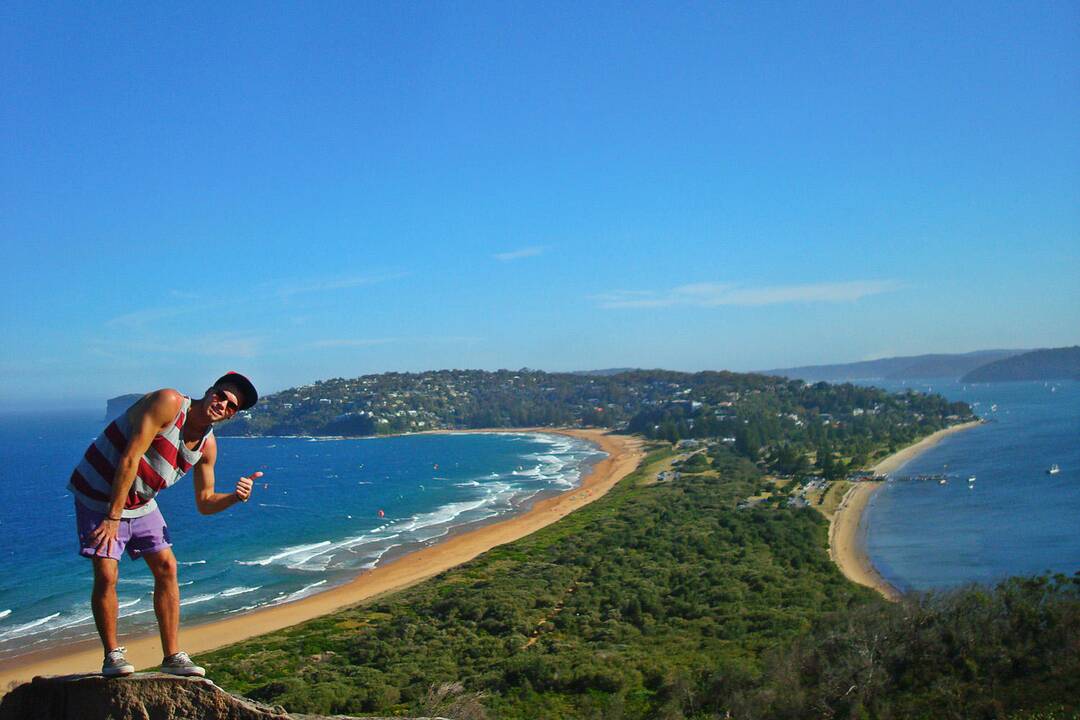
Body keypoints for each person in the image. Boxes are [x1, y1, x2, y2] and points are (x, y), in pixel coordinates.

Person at [68, 372, 261, 678]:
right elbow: (130, 459)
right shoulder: (168, 403)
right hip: (98, 494)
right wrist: (113, 517)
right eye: (221, 395)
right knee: (106, 571)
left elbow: (205, 502)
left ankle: (172, 656)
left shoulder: (207, 447)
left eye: (230, 406)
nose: (222, 404)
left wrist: (235, 498)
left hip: (140, 501)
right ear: (210, 389)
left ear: (231, 415)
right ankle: (112, 656)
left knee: (167, 568)